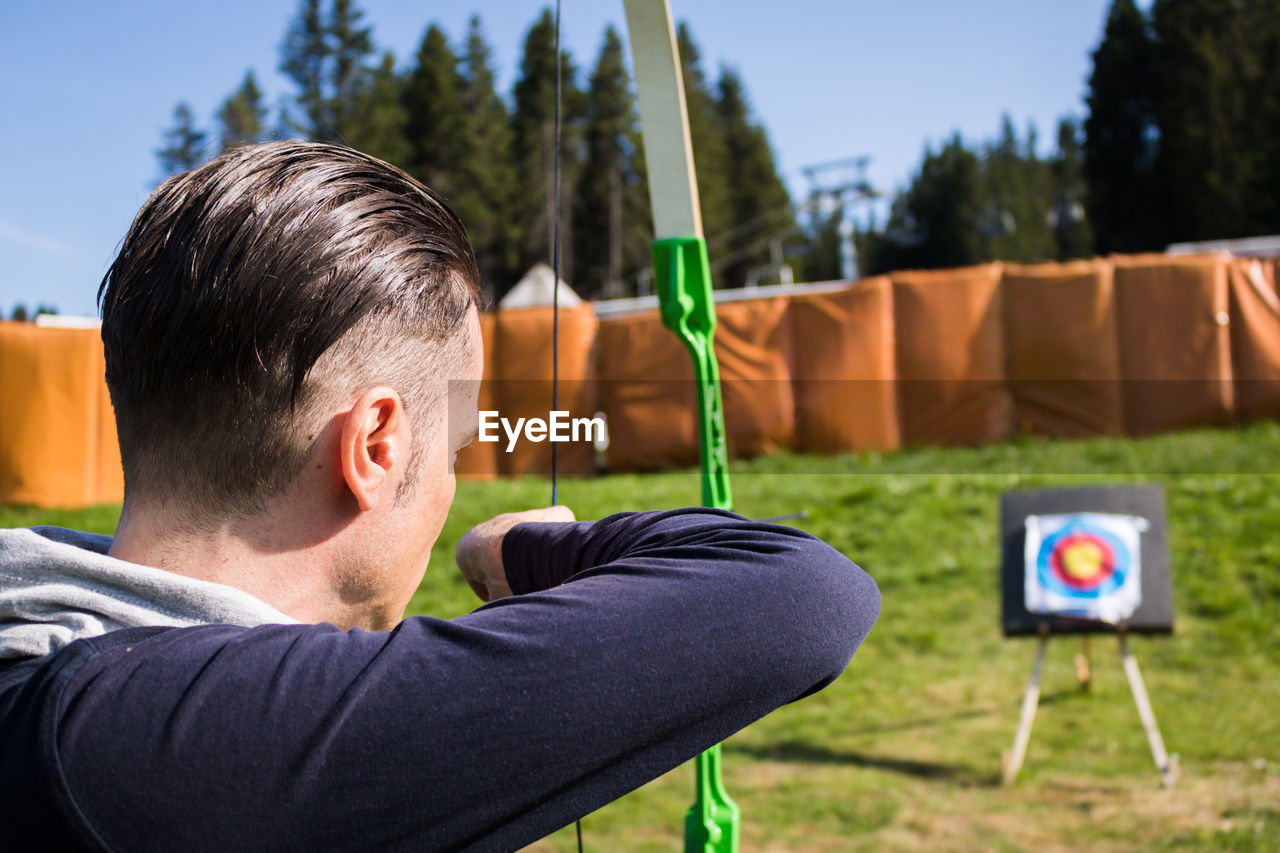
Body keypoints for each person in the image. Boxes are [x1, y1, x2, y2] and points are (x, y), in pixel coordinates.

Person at [0, 141, 879, 851]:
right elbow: (804, 590)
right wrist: (517, 552)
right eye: (454, 446)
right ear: (376, 447)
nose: (453, 481)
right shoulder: (162, 739)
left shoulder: (44, 652)